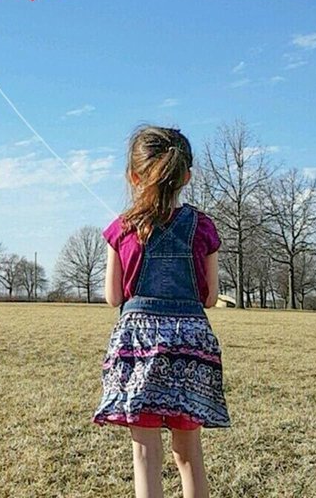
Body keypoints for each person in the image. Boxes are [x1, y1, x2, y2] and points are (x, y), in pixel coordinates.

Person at [93, 125, 229, 498]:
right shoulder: (203, 228)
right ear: (186, 176)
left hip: (140, 343)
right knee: (189, 454)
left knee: (145, 454)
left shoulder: (121, 229)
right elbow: (210, 298)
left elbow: (112, 296)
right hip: (191, 345)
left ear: (133, 176)